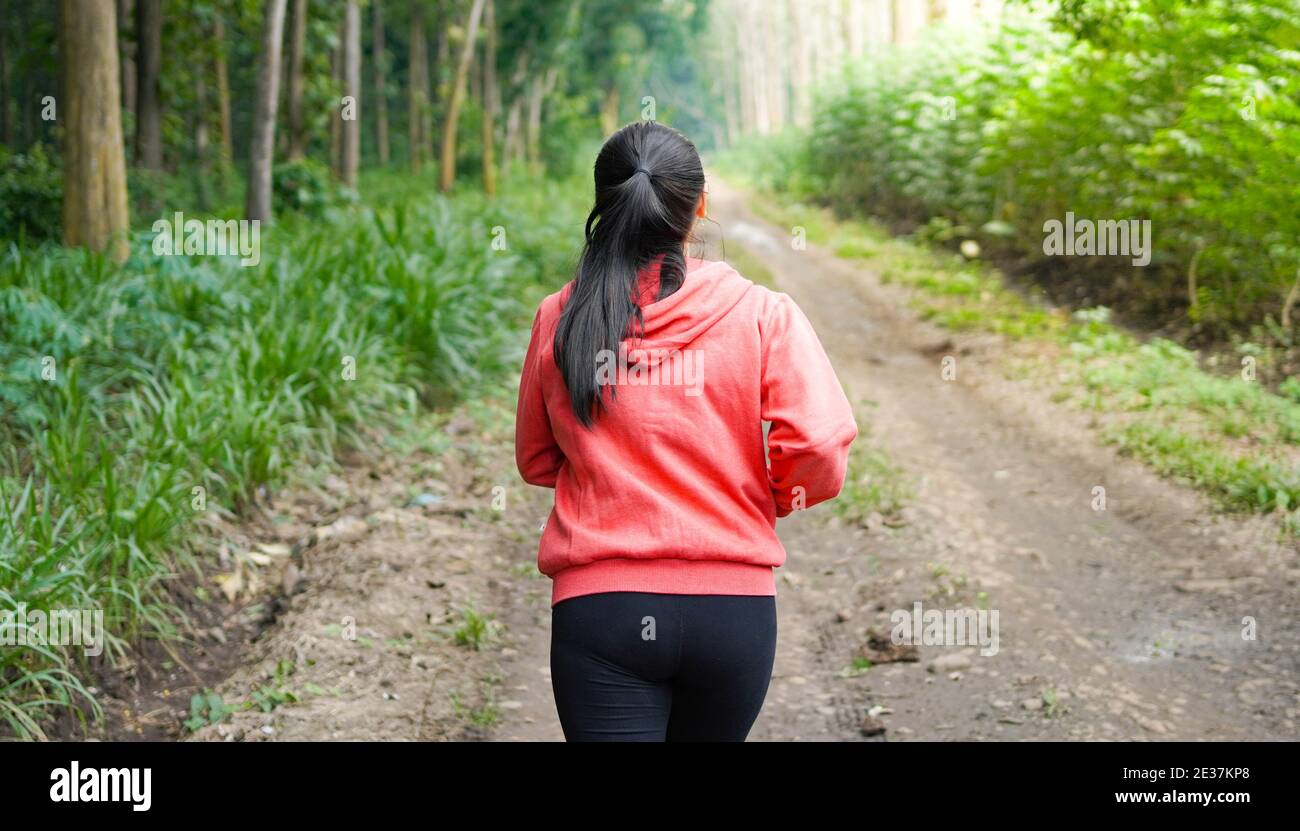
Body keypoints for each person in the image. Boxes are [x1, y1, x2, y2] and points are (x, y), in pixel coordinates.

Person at [514, 121, 856, 741]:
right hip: (733, 610)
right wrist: (770, 497)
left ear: (604, 202)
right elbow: (819, 445)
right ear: (699, 206)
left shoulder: (560, 315)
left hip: (601, 608)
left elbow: (538, 460)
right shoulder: (763, 313)